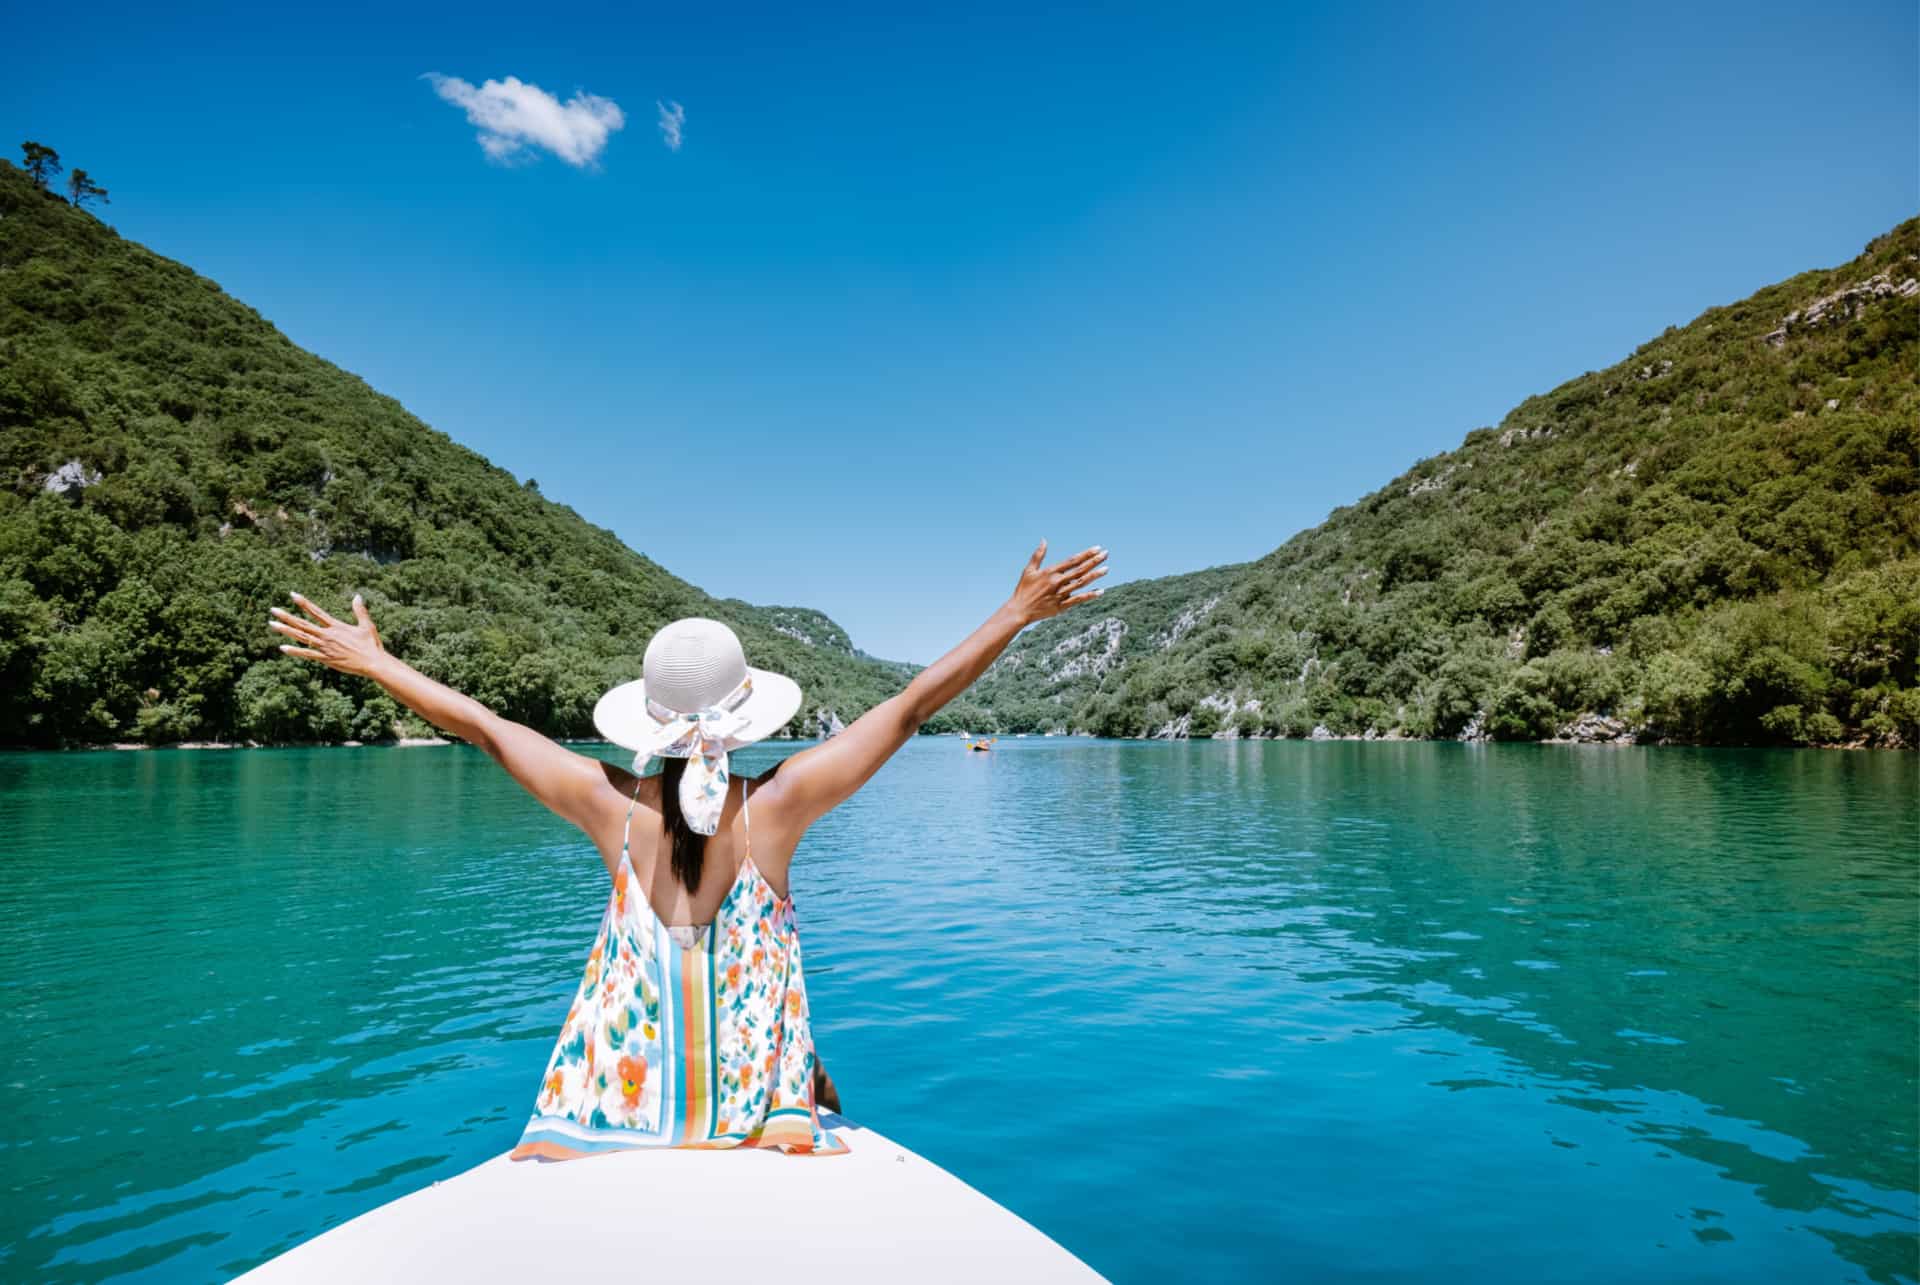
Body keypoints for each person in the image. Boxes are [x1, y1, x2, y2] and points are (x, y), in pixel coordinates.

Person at [269, 540, 1107, 1160]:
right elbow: (910, 708)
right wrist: (1014, 613)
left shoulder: (608, 804)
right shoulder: (775, 808)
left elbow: (483, 727)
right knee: (819, 1080)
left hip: (614, 1121)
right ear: (744, 720)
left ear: (649, 719)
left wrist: (374, 661)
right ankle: (802, 1098)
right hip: (754, 1121)